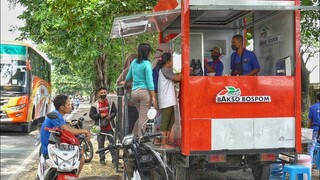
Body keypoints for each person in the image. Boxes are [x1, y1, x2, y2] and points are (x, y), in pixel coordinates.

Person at [40, 95, 91, 176]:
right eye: (68, 104)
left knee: (80, 155)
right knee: (81, 158)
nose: (70, 106)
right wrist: (85, 131)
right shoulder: (56, 115)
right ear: (62, 107)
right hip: (49, 148)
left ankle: (74, 176)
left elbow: (65, 131)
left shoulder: (58, 115)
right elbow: (68, 130)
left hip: (56, 145)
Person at [121, 43, 158, 136]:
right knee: (144, 117)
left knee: (141, 115)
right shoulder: (147, 64)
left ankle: (133, 136)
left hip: (134, 93)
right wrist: (153, 96)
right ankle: (140, 139)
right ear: (148, 53)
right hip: (144, 93)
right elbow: (149, 81)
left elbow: (129, 75)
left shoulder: (134, 62)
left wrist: (124, 82)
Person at [157, 52, 181, 148]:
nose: (173, 62)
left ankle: (166, 140)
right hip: (166, 99)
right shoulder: (165, 70)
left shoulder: (167, 70)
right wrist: (186, 69)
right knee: (166, 121)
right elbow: (178, 78)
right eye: (172, 60)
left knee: (171, 120)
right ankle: (163, 142)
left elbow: (175, 78)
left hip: (169, 99)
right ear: (168, 61)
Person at [89, 87, 117, 166]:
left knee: (112, 144)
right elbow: (91, 115)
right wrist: (100, 115)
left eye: (105, 92)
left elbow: (115, 112)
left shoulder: (111, 103)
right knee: (101, 145)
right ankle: (102, 160)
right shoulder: (95, 105)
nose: (103, 94)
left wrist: (110, 116)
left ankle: (114, 160)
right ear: (98, 94)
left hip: (110, 127)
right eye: (102, 93)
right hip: (99, 128)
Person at [116, 53, 139, 134]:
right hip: (130, 100)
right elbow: (118, 82)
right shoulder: (127, 71)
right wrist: (129, 84)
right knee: (130, 121)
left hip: (138, 98)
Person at [307, 92, 320, 160]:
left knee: (311, 148)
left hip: (315, 129)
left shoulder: (312, 107)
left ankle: (310, 164)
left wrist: (308, 130)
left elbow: (310, 121)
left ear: (317, 98)